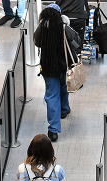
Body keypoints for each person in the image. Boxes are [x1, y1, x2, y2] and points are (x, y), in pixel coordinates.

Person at [34, 5, 79, 142]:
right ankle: (64, 109)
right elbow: (77, 42)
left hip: (48, 68)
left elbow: (37, 42)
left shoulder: (42, 29)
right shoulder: (64, 27)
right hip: (64, 66)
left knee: (52, 95)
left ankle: (53, 130)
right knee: (64, 86)